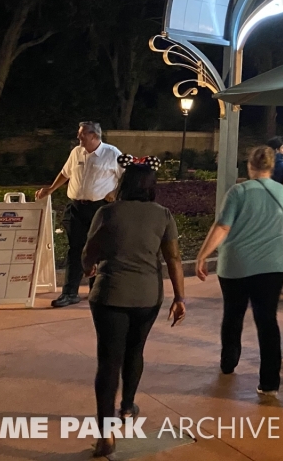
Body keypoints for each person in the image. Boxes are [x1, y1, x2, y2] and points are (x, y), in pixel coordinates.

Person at [80, 159, 186, 458]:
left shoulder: (107, 212)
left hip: (110, 295)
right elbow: (174, 259)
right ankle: (127, 405)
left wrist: (89, 268)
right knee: (135, 350)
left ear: (123, 185)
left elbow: (90, 252)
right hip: (148, 297)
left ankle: (105, 435)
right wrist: (180, 297)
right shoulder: (163, 215)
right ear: (152, 188)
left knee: (108, 361)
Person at [194, 146, 283, 396]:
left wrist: (203, 255)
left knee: (233, 314)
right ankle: (270, 382)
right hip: (273, 266)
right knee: (267, 320)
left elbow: (222, 227)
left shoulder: (238, 192)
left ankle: (229, 362)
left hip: (236, 265)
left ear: (250, 166)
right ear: (272, 167)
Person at [36, 121, 124, 308]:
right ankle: (69, 293)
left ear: (94, 136)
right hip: (76, 207)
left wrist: (115, 192)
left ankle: (97, 291)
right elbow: (65, 173)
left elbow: (126, 175)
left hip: (100, 208)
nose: (78, 137)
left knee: (98, 249)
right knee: (75, 249)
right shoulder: (76, 152)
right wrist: (50, 189)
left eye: (82, 134)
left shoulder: (112, 153)